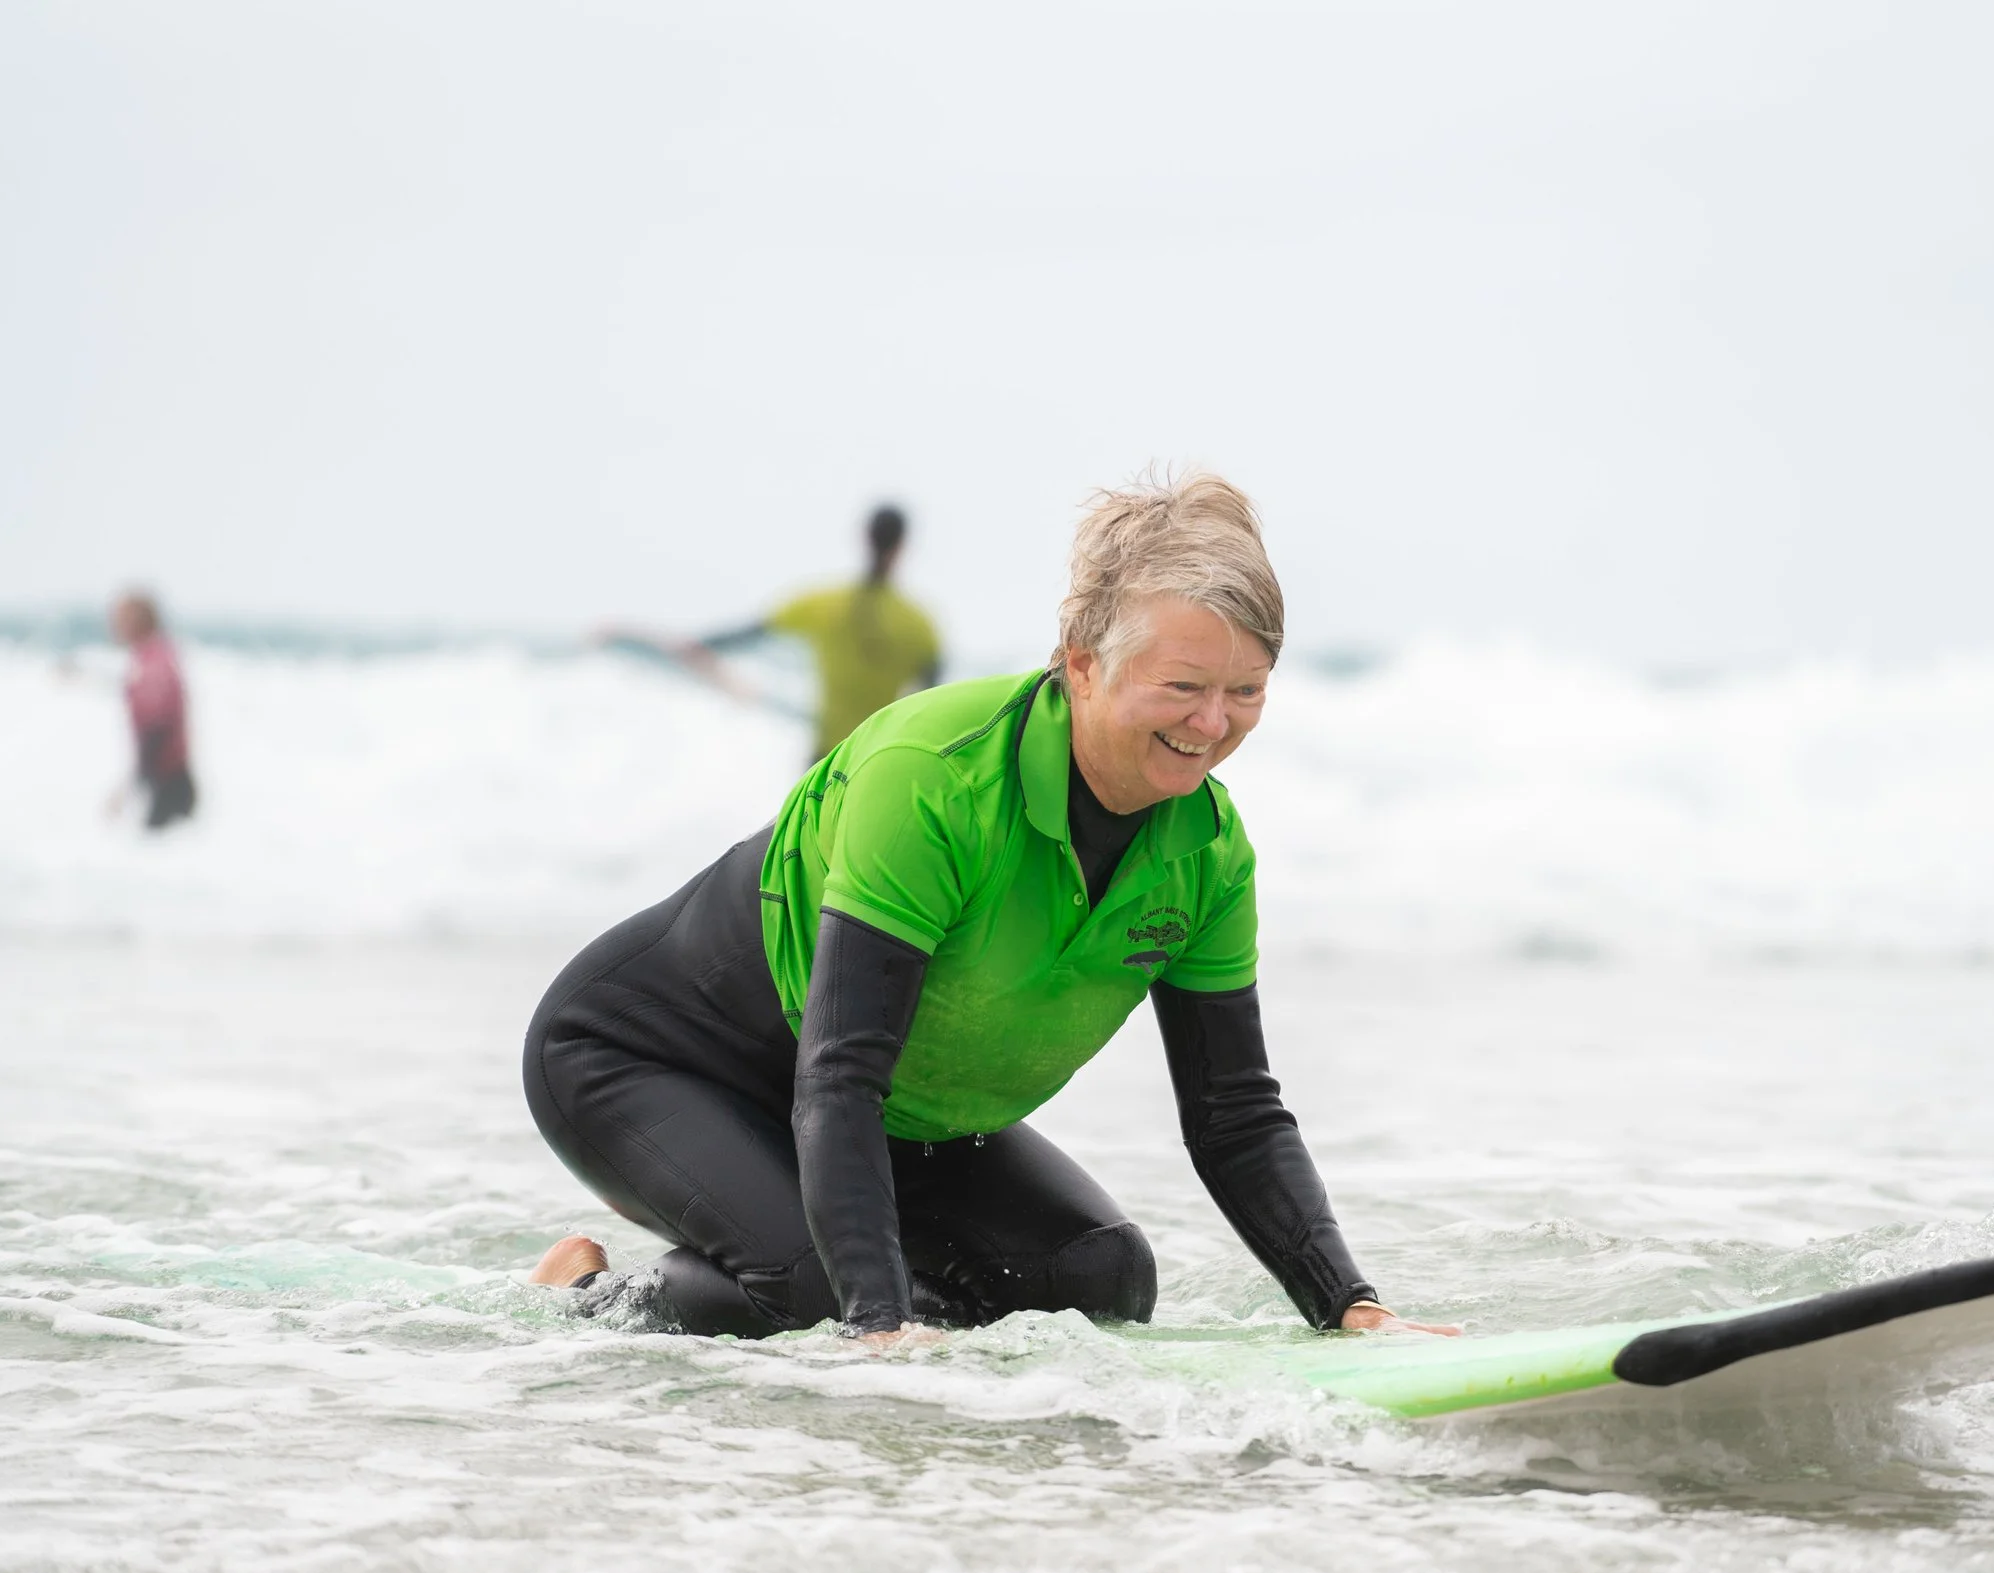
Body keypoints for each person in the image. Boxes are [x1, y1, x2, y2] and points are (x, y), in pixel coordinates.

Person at [524, 473, 1454, 1345]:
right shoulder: (934, 781)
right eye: (1182, 687)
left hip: (881, 1107)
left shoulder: (1207, 854)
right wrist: (880, 1326)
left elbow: (1234, 1114)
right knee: (822, 1295)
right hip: (656, 1063)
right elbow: (841, 1071)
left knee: (1097, 1278)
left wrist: (1350, 1308)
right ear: (1082, 665)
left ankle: (757, 1249)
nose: (1213, 724)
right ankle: (589, 1295)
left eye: (1244, 692)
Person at [603, 505, 943, 759]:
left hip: (824, 760)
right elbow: (928, 707)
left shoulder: (823, 604)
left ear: (864, 537)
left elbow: (752, 633)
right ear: (902, 546)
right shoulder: (919, 624)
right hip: (875, 758)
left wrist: (693, 646)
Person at [104, 590, 196, 831]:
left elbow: (158, 723)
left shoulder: (153, 660)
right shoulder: (152, 655)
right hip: (168, 778)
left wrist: (130, 786)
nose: (112, 625)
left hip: (169, 783)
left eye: (119, 618)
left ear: (137, 621)